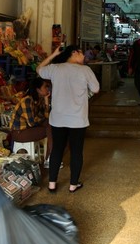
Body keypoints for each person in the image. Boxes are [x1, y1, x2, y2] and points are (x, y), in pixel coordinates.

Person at [37, 44, 99, 193]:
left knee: (57, 149)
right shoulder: (85, 70)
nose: (84, 56)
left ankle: (52, 183)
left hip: (58, 119)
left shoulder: (55, 69)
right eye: (82, 53)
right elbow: (96, 89)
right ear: (74, 53)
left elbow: (39, 69)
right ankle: (73, 185)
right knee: (76, 151)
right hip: (77, 119)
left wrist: (54, 54)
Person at [10, 77, 53, 164]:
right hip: (19, 132)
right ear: (38, 90)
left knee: (50, 124)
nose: (47, 89)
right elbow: (32, 123)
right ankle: (50, 158)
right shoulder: (27, 100)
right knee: (50, 128)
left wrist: (46, 101)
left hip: (28, 129)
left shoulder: (38, 99)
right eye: (45, 87)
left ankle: (50, 157)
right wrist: (42, 119)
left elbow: (46, 116)